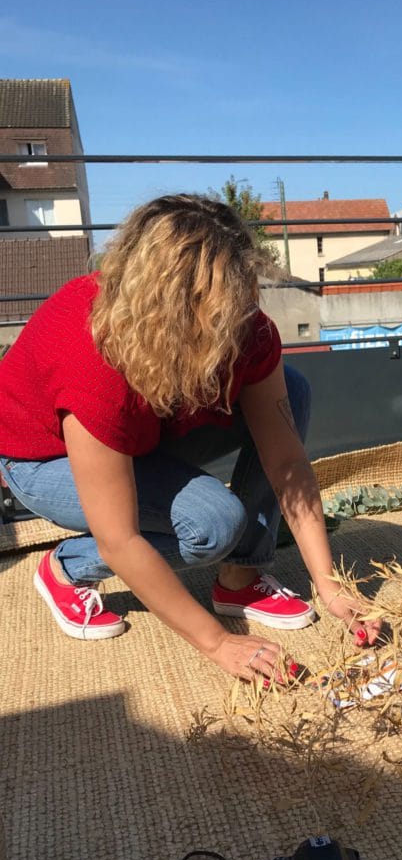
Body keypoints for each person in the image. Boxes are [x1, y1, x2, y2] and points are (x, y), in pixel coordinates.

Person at [0, 194, 381, 683]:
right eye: (221, 319)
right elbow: (120, 539)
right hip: (41, 458)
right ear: (172, 314)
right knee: (212, 526)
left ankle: (240, 576)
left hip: (143, 431)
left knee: (295, 391)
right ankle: (67, 567)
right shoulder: (91, 356)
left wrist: (331, 587)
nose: (241, 328)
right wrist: (218, 642)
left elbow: (285, 463)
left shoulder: (245, 328)